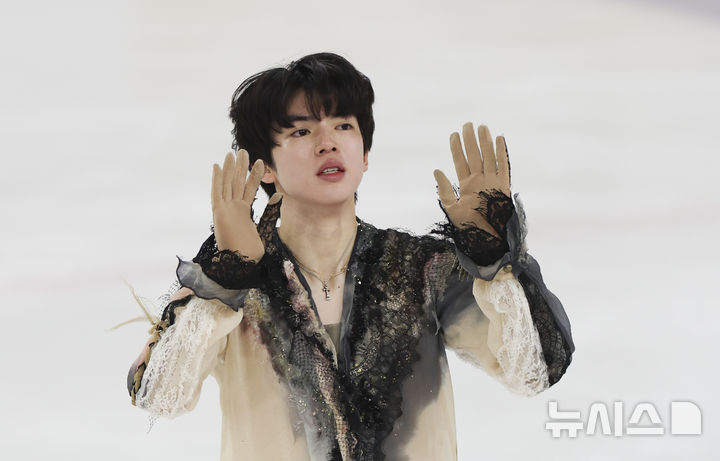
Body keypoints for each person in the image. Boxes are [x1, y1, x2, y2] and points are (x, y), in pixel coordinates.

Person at [127, 52, 574, 461]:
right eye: (301, 131)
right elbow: (158, 395)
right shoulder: (233, 288)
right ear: (265, 168)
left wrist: (494, 259)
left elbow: (534, 370)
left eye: (343, 126)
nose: (327, 142)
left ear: (365, 154)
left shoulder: (422, 271)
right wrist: (226, 278)